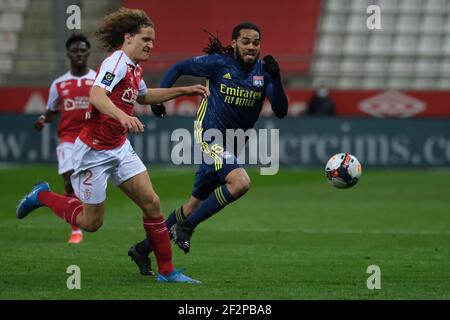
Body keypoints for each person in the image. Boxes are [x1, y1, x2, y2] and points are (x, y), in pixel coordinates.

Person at [16, 7, 209, 283]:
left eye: (153, 41)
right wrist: (122, 115)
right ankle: (42, 196)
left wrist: (184, 90)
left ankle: (167, 272)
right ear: (128, 37)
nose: (150, 45)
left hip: (118, 148)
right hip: (93, 152)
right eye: (145, 39)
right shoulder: (116, 62)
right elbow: (96, 95)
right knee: (91, 223)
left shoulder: (133, 68)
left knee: (152, 203)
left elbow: (143, 97)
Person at [129, 22, 288, 276]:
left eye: (256, 42)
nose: (251, 47)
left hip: (232, 146)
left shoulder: (264, 72)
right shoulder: (218, 63)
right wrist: (165, 97)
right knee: (240, 182)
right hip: (209, 136)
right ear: (234, 43)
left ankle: (142, 249)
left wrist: (277, 80)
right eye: (245, 41)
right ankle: (186, 229)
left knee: (192, 206)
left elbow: (280, 111)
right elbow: (179, 67)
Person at [34, 33, 96, 244]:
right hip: (68, 138)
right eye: (75, 50)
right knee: (70, 181)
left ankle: (47, 198)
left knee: (86, 184)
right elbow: (52, 110)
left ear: (88, 52)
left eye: (82, 50)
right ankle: (76, 229)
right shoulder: (59, 84)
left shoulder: (96, 79)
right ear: (68, 54)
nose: (79, 53)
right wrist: (44, 119)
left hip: (91, 138)